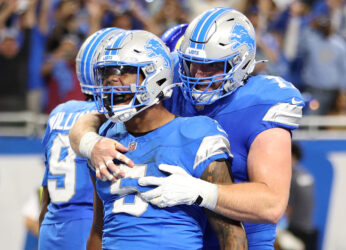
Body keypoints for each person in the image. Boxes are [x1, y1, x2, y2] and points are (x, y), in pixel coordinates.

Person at [69, 7, 305, 249]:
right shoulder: (175, 80)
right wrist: (91, 144)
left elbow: (271, 205)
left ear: (240, 62)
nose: (199, 75)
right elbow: (91, 119)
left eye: (212, 66)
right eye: (193, 63)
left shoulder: (262, 102)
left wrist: (200, 191)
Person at [85, 29, 247, 250]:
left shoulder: (196, 133)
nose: (112, 80)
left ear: (156, 75)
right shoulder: (105, 138)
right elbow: (98, 230)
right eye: (106, 73)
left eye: (124, 71)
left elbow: (231, 234)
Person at [38, 27, 123, 250]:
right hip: (90, 226)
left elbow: (45, 193)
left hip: (51, 226)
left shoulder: (59, 112)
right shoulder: (111, 117)